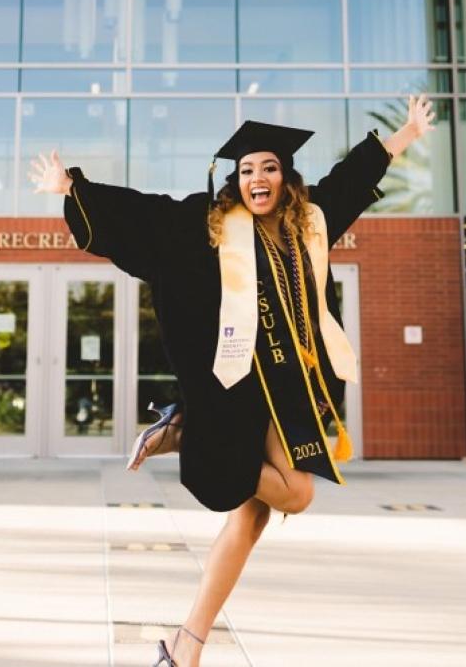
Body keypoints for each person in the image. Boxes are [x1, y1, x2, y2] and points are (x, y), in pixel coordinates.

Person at [28, 96, 436, 667]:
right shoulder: (212, 225)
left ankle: (184, 646)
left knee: (255, 512)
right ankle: (191, 431)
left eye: (267, 168)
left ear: (284, 177)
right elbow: (149, 216)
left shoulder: (309, 224)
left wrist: (406, 134)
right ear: (237, 180)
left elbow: (349, 181)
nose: (256, 178)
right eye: (246, 170)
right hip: (236, 392)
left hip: (289, 393)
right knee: (296, 493)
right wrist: (75, 189)